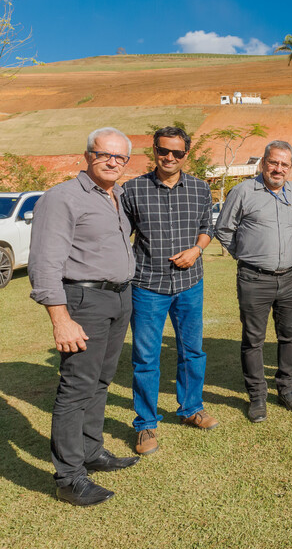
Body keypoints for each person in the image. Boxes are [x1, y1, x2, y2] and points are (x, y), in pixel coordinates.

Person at [28, 127, 140, 506]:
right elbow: (44, 263)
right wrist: (61, 319)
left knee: (102, 380)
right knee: (76, 387)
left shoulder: (119, 196)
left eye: (120, 157)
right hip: (83, 300)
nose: (112, 161)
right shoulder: (62, 198)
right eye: (104, 154)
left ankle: (92, 452)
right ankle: (69, 477)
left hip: (119, 299)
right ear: (88, 155)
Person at [122, 126, 217, 457]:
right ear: (154, 151)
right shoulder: (132, 191)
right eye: (164, 151)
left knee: (193, 351)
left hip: (190, 285)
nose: (170, 158)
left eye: (177, 153)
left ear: (186, 155)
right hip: (148, 285)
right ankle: (146, 423)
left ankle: (191, 408)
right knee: (146, 358)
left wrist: (197, 249)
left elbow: (208, 227)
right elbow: (121, 236)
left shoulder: (201, 189)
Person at [215, 141, 292, 422]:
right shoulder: (243, 191)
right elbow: (223, 229)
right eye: (273, 162)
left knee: (289, 337)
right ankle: (257, 396)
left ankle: (287, 389)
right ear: (263, 162)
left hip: (290, 278)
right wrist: (245, 255)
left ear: (290, 167)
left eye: (284, 164)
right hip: (254, 278)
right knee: (253, 340)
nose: (278, 169)